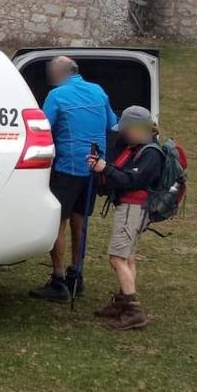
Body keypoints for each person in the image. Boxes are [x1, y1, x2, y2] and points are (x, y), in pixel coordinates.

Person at [29, 56, 117, 303]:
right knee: (80, 223)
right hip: (93, 168)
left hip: (68, 167)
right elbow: (113, 124)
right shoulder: (99, 91)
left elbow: (43, 128)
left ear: (60, 73)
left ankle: (58, 281)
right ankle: (76, 274)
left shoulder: (57, 95)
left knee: (59, 221)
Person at [87, 105, 163, 330]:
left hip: (133, 208)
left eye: (126, 129)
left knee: (116, 258)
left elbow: (130, 181)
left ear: (137, 129)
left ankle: (134, 309)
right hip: (130, 208)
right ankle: (123, 301)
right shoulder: (136, 148)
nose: (122, 133)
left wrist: (104, 168)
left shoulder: (150, 153)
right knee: (128, 257)